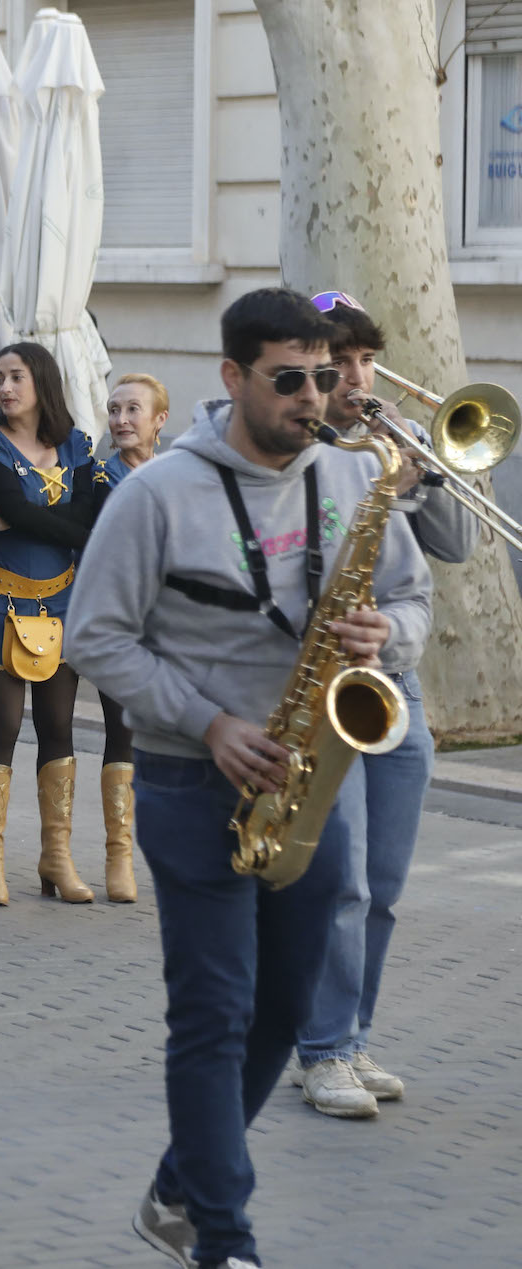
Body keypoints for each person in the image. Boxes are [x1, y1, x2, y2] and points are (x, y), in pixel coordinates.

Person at [64, 287, 431, 1269]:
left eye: (321, 378)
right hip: (192, 782)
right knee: (214, 1013)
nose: (311, 399)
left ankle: (182, 1183)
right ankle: (221, 1238)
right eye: (286, 381)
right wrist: (205, 720)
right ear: (230, 378)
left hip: (311, 778)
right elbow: (91, 636)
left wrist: (384, 635)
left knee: (286, 1007)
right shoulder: (155, 495)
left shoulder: (350, 480)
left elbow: (410, 595)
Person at [286, 293, 478, 1121]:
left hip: (393, 684)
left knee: (388, 880)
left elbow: (458, 546)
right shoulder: (297, 451)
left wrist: (422, 474)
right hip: (319, 687)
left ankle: (351, 1035)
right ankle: (322, 1048)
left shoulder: (385, 445)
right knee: (345, 880)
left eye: (367, 360)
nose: (359, 378)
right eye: (343, 362)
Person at [0, 342, 103, 906]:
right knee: (1, 725)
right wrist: (43, 518)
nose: (4, 388)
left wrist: (23, 516)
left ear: (41, 380)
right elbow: (13, 505)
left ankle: (57, 858)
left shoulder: (78, 445)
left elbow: (85, 526)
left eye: (15, 376)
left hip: (62, 602)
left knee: (58, 728)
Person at [92, 371, 171, 906]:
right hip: (120, 627)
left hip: (174, 629)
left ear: (159, 420)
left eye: (132, 410)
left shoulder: (181, 477)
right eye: (114, 410)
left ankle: (167, 850)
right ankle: (119, 854)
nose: (121, 420)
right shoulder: (99, 479)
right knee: (123, 735)